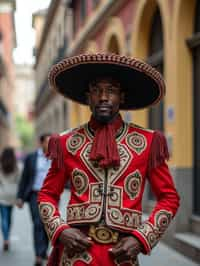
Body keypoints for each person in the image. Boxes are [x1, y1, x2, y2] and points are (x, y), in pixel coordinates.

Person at [38, 53, 180, 266]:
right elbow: (47, 194)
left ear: (122, 97)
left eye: (111, 90)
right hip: (76, 256)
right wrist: (60, 230)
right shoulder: (66, 142)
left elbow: (169, 198)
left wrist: (141, 238)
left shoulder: (149, 142)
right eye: (96, 90)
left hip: (122, 257)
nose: (103, 96)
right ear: (88, 97)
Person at [16, 133, 51, 266]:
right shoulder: (31, 158)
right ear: (41, 143)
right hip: (34, 195)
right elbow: (24, 178)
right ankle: (38, 254)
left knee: (48, 224)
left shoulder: (55, 157)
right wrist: (20, 197)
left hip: (51, 196)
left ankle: (43, 251)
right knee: (37, 224)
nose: (50, 145)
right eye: (48, 142)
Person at [0, 147, 20, 251]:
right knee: (9, 218)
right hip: (12, 195)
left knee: (3, 218)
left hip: (2, 194)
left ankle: (6, 239)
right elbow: (19, 181)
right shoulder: (16, 167)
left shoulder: (0, 166)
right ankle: (7, 236)